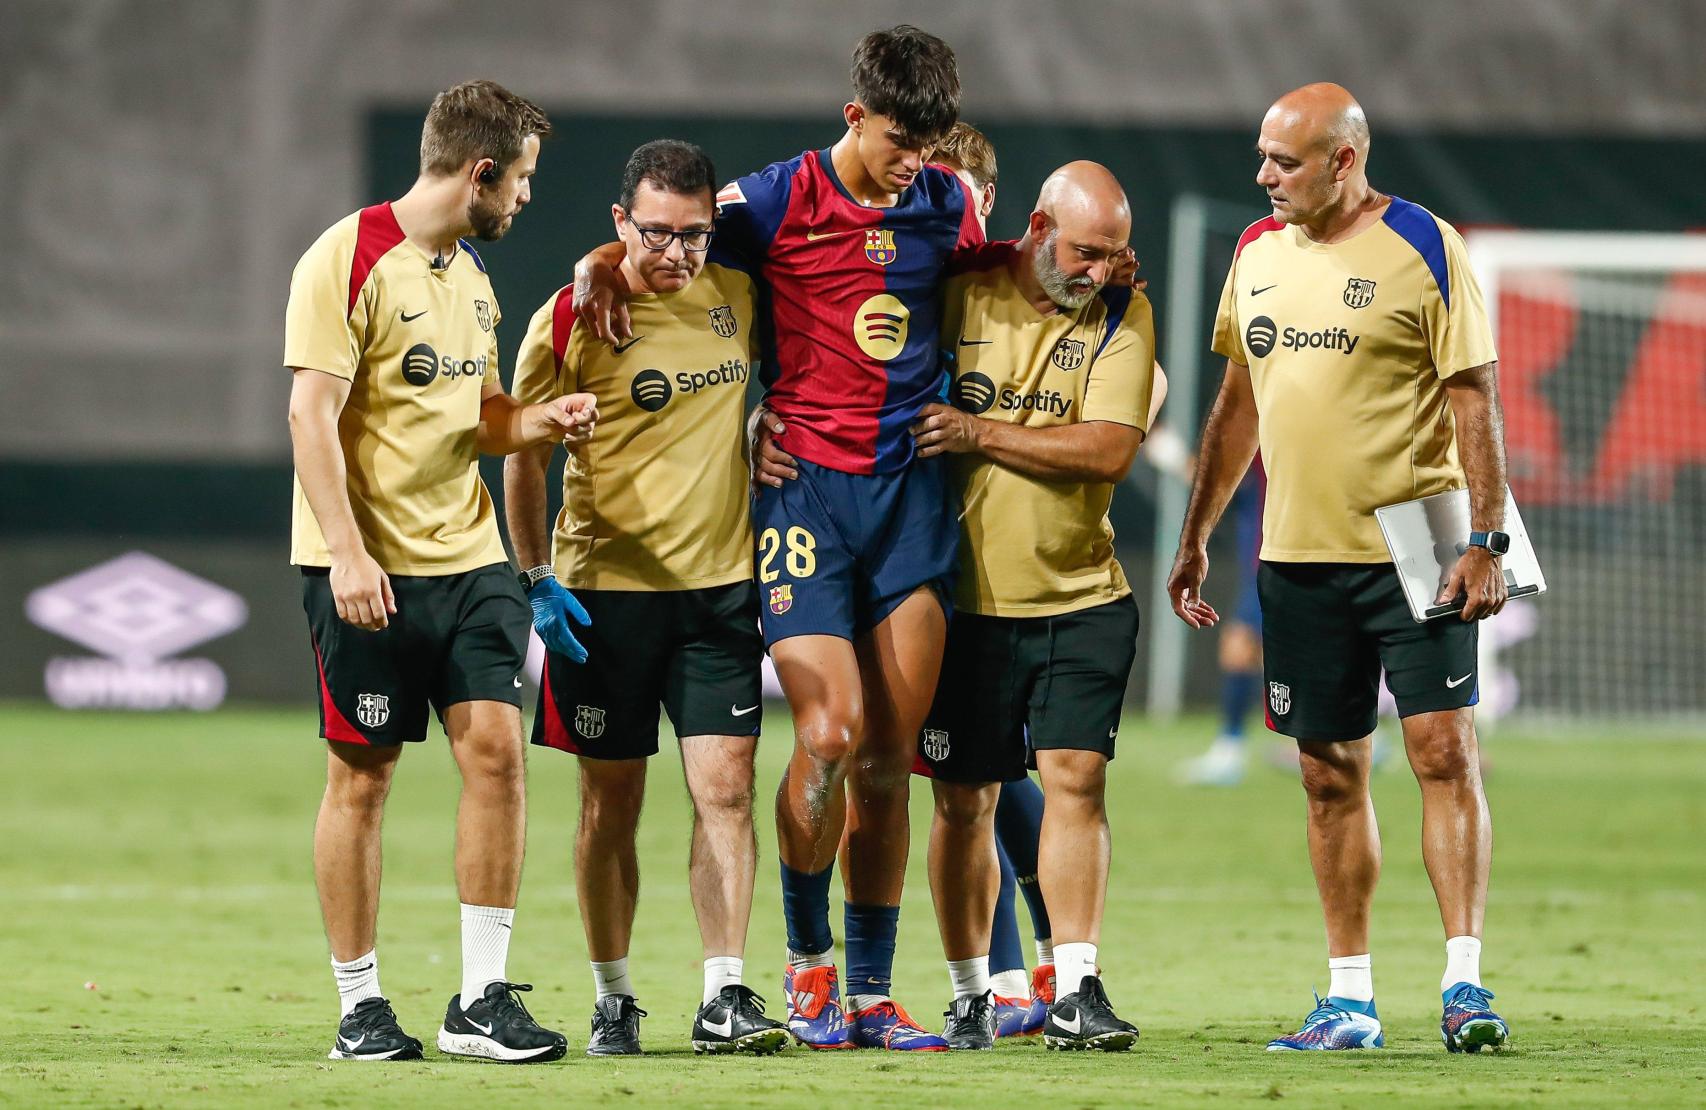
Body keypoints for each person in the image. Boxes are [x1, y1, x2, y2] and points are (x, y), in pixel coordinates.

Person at [576, 25, 981, 1052]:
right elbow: (659, 241)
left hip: (911, 505)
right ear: (854, 117)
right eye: (897, 141)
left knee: (889, 763)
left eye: (928, 145)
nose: (912, 164)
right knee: (830, 736)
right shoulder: (770, 201)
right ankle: (804, 975)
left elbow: (1000, 290)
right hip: (807, 506)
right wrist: (592, 264)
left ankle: (873, 989)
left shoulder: (946, 201)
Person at [1165, 83, 1512, 1054]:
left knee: (1443, 753)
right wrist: (1195, 532)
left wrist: (1485, 542)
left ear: (1343, 160)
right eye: (1261, 156)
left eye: (1283, 161)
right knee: (1325, 773)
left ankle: (1463, 985)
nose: (1262, 176)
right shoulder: (1254, 253)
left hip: (1423, 536)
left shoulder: (1425, 244)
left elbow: (1473, 400)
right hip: (1296, 550)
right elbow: (1236, 404)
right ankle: (1349, 998)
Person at [286, 80, 589, 1063]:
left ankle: (479, 999)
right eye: (524, 181)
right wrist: (346, 552)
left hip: (471, 558)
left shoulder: (469, 277)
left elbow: (484, 414)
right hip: (368, 570)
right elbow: (309, 416)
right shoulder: (346, 257)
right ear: (482, 172)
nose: (527, 201)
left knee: (498, 755)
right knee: (362, 779)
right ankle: (360, 1004)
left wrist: (540, 422)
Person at [504, 139, 786, 1058]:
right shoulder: (567, 318)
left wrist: (769, 434)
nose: (677, 253)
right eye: (656, 233)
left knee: (728, 792)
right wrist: (538, 577)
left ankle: (725, 993)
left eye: (695, 234)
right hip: (603, 599)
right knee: (608, 806)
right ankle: (614, 996)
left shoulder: (738, 295)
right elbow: (523, 453)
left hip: (717, 593)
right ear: (620, 222)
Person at [911, 162, 1159, 1051]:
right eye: (1085, 251)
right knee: (963, 800)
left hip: (1081, 594)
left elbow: (1106, 450)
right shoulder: (956, 290)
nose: (1098, 272)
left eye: (1114, 255)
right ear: (1037, 225)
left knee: (1075, 783)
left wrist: (979, 432)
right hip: (962, 602)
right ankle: (970, 990)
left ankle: (1077, 986)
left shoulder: (1123, 314)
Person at [923, 121, 1054, 1039]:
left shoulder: (1013, 284)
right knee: (979, 777)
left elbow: (1150, 378)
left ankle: (1018, 975)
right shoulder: (886, 282)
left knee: (980, 778)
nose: (935, 208)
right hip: (906, 561)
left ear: (987, 201)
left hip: (996, 572)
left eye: (954, 190)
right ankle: (1039, 962)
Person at [1176, 468, 1264, 786]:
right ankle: (1231, 748)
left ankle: (1230, 750)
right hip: (1264, 564)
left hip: (1281, 560)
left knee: (1239, 646)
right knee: (1243, 647)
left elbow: (1218, 480)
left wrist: (1172, 457)